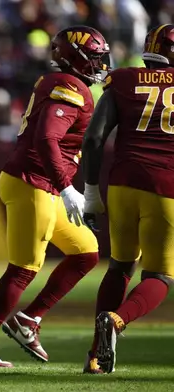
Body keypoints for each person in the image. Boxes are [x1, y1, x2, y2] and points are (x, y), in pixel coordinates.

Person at [0, 26, 110, 367]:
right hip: (35, 182)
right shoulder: (70, 87)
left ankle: (29, 319)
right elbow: (47, 139)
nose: (101, 62)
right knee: (24, 268)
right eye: (96, 56)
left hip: (41, 183)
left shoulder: (58, 82)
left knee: (85, 253)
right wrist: (68, 187)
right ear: (76, 57)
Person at [81, 24, 174, 374]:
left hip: (121, 183)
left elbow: (93, 140)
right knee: (161, 276)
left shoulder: (122, 79)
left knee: (120, 265)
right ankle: (117, 320)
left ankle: (94, 356)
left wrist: (91, 194)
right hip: (166, 186)